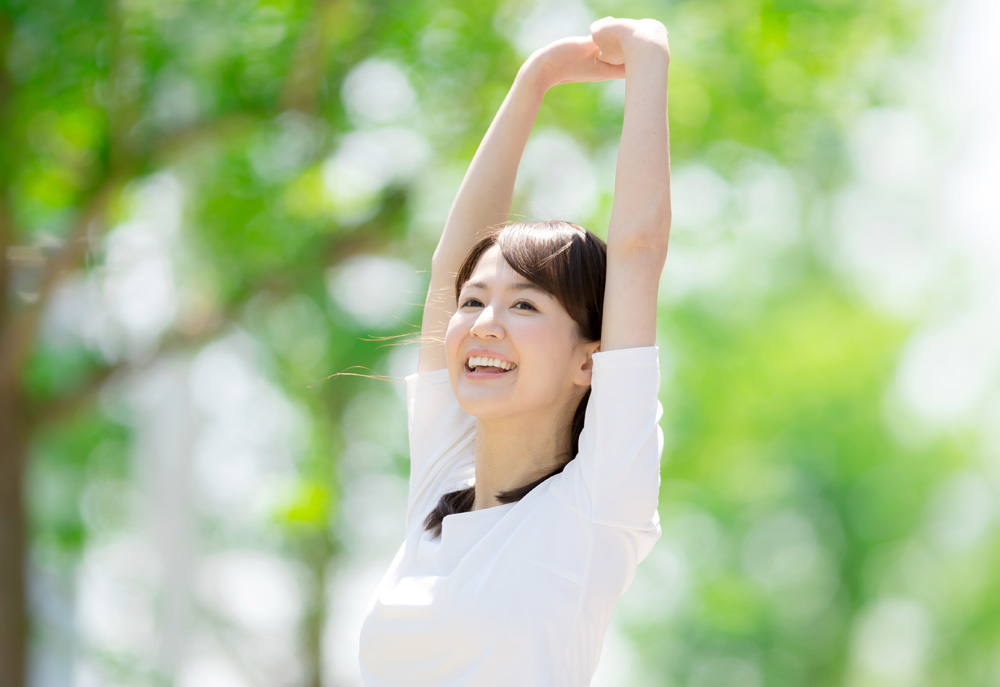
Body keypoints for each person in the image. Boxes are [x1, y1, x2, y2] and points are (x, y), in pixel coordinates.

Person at [358, 16, 671, 686]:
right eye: (474, 302)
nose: (484, 322)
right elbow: (450, 264)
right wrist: (534, 81)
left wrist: (648, 57)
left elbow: (639, 252)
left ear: (590, 359)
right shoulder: (441, 487)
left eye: (524, 305)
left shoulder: (596, 502)